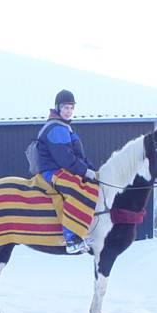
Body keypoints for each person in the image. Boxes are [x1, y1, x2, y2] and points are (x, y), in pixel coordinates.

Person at [36, 89, 98, 254]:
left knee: (89, 185)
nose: (69, 111)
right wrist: (85, 172)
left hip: (63, 168)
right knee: (74, 188)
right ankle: (71, 238)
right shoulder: (55, 128)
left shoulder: (66, 127)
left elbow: (79, 156)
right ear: (58, 108)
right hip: (52, 170)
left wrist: (92, 171)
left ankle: (85, 229)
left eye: (71, 108)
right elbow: (65, 158)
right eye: (65, 108)